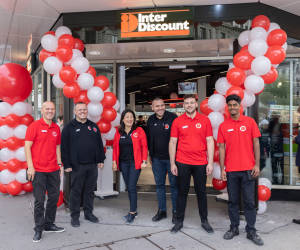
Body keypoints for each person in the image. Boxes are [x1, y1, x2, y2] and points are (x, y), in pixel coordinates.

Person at [218, 94, 264, 246]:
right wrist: (223, 168)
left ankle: (251, 230)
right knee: (233, 201)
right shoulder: (223, 126)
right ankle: (234, 228)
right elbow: (222, 148)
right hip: (231, 170)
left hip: (248, 170)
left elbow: (256, 144)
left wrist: (257, 164)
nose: (232, 107)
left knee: (249, 202)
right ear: (228, 107)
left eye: (235, 105)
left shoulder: (250, 122)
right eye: (230, 105)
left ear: (240, 106)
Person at [169, 94, 214, 234]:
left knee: (201, 193)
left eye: (191, 102)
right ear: (183, 105)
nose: (189, 105)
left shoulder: (205, 120)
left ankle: (204, 221)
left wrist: (210, 162)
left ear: (196, 104)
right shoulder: (177, 121)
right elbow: (172, 142)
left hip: (201, 162)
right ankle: (179, 221)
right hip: (182, 162)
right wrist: (172, 163)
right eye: (186, 103)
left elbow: (210, 141)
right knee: (182, 192)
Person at [25, 101, 65, 243]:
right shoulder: (34, 126)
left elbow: (57, 147)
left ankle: (49, 224)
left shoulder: (56, 128)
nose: (50, 111)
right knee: (40, 201)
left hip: (53, 169)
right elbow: (27, 147)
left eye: (52, 109)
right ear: (42, 110)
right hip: (39, 171)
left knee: (53, 198)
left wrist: (59, 163)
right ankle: (38, 228)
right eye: (47, 109)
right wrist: (30, 166)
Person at [61, 102, 106, 228]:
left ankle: (88, 213)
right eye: (79, 110)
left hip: (92, 166)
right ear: (75, 112)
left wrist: (101, 160)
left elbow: (98, 145)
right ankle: (74, 216)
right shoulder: (69, 127)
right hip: (76, 166)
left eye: (84, 110)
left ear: (87, 111)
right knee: (76, 191)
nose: (82, 112)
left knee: (89, 191)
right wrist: (67, 164)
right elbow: (64, 148)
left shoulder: (93, 126)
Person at [112, 109, 148, 224]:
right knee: (129, 186)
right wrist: (114, 162)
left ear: (134, 118)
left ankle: (132, 212)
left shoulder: (139, 130)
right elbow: (115, 148)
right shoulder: (118, 132)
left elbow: (144, 146)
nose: (129, 119)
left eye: (131, 117)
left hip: (135, 163)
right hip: (123, 163)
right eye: (127, 117)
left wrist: (144, 161)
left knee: (131, 186)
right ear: (123, 119)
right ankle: (134, 209)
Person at [147, 97, 178, 223]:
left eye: (162, 105)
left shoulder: (173, 118)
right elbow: (149, 139)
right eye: (157, 106)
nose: (160, 108)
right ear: (152, 108)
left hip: (172, 160)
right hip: (157, 160)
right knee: (159, 186)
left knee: (174, 186)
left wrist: (176, 159)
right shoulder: (150, 120)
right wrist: (150, 155)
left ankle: (176, 212)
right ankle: (162, 211)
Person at [268, 116, 284, 184]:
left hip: (278, 150)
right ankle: (276, 179)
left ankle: (281, 179)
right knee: (275, 166)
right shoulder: (273, 131)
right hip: (275, 150)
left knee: (279, 166)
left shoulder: (280, 130)